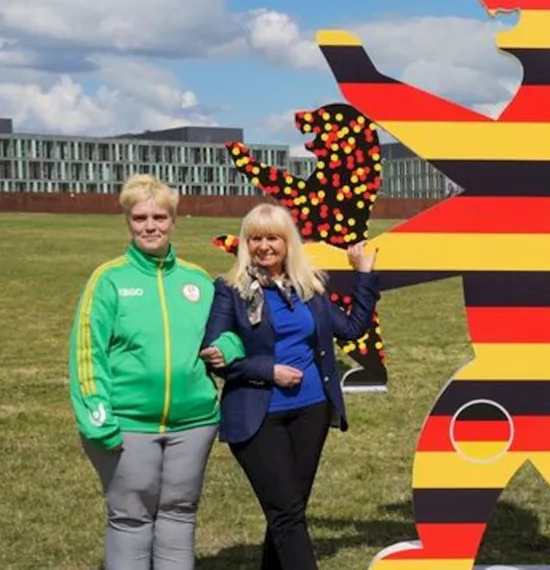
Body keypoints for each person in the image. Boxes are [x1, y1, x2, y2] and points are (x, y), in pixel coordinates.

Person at [199, 202, 379, 570]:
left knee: (289, 511)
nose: (264, 246)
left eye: (273, 238)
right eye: (256, 239)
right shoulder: (230, 290)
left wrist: (364, 276)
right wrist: (270, 370)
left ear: (288, 242)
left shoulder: (307, 287)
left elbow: (352, 329)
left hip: (311, 411)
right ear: (246, 244)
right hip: (258, 416)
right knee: (286, 514)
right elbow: (214, 353)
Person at [69, 174, 221, 570]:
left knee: (179, 514)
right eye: (139, 218)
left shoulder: (197, 280)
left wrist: (229, 348)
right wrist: (97, 418)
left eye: (159, 217)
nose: (150, 226)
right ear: (128, 221)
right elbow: (88, 352)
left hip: (195, 423)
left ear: (174, 220)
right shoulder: (109, 279)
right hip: (128, 424)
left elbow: (225, 333)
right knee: (131, 519)